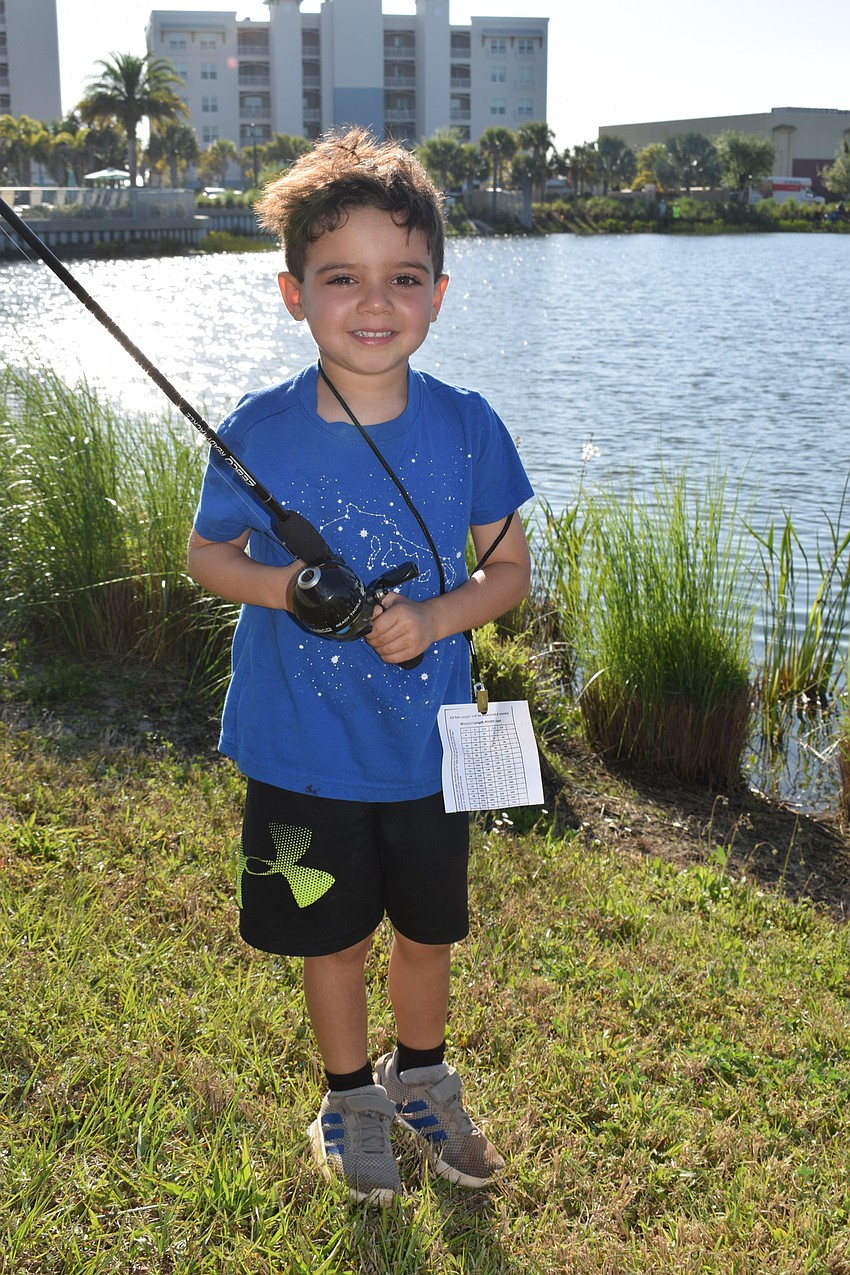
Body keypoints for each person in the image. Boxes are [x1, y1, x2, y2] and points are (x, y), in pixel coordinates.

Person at [187, 127, 533, 1206]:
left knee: (428, 933)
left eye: (403, 278)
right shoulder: (259, 431)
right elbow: (207, 557)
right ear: (294, 294)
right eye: (341, 278)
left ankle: (421, 1080)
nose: (372, 303)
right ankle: (348, 1098)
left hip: (430, 755)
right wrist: (290, 590)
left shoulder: (470, 427)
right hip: (301, 753)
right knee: (330, 941)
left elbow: (507, 572)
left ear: (437, 292)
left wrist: (433, 619)